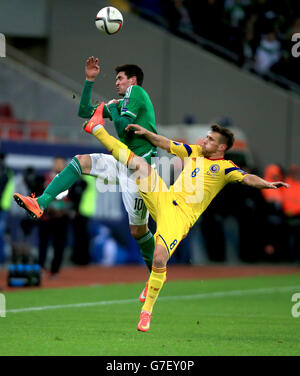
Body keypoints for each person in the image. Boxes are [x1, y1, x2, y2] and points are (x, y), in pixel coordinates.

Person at [82, 102, 289, 332]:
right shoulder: (195, 151)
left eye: (210, 139)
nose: (205, 140)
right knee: (139, 164)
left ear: (221, 148)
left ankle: (146, 312)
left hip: (179, 218)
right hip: (164, 197)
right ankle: (97, 128)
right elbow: (167, 144)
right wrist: (148, 133)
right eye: (206, 137)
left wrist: (267, 184)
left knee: (160, 258)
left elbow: (247, 178)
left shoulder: (225, 168)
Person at [13, 58, 158, 298]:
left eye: (120, 78)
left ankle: (156, 277)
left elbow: (124, 129)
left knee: (138, 232)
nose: (116, 82)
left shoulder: (137, 92)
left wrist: (110, 109)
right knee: (80, 161)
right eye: (116, 78)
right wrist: (89, 81)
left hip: (140, 168)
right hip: (123, 160)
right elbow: (84, 112)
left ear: (132, 80)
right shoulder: (121, 103)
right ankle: (40, 203)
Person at [0, 152, 14, 263]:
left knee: (1, 233)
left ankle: (1, 259)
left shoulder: (8, 173)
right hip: (3, 208)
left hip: (3, 208)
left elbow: (10, 191)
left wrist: (5, 205)